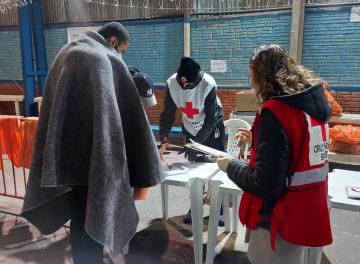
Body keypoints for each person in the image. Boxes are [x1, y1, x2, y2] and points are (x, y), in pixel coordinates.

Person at [21, 21, 164, 264]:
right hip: (98, 159)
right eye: (122, 51)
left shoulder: (65, 53)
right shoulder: (105, 58)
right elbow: (126, 119)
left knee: (80, 216)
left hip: (68, 158)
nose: (120, 56)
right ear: (113, 42)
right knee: (98, 210)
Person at [217, 44, 333, 264]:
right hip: (307, 208)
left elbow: (265, 184)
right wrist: (260, 142)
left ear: (260, 76)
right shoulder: (309, 105)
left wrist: (230, 165)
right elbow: (300, 148)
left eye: (251, 75)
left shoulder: (275, 111)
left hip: (279, 217)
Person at [158, 57, 225, 225]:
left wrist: (195, 143)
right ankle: (194, 206)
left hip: (212, 128)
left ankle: (220, 211)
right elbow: (168, 113)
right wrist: (164, 137)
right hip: (190, 127)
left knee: (217, 167)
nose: (191, 87)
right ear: (182, 80)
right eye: (188, 85)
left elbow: (211, 119)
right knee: (194, 169)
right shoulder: (172, 84)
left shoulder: (208, 84)